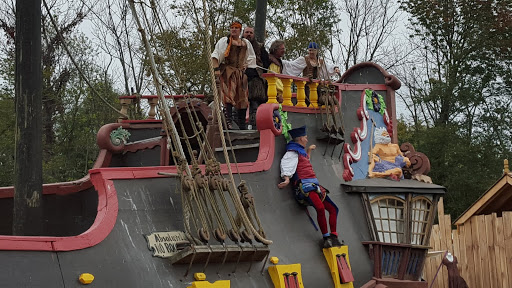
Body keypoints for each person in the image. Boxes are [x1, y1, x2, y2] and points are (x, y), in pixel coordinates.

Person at [278, 125, 341, 248]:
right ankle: (326, 237)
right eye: (306, 138)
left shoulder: (301, 152)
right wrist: (286, 178)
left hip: (314, 186)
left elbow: (305, 162)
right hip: (305, 186)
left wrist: (309, 151)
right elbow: (287, 163)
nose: (307, 140)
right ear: (301, 138)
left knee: (334, 209)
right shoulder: (293, 151)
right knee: (320, 208)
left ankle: (334, 236)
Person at [211, 21, 256, 130]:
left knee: (243, 98)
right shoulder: (225, 41)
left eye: (236, 28)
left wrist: (247, 67)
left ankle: (242, 124)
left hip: (240, 73)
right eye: (232, 28)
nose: (233, 30)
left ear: (240, 30)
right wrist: (216, 69)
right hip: (228, 72)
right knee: (228, 96)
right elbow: (216, 54)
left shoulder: (245, 43)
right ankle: (229, 122)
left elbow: (251, 57)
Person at [242, 26, 270, 129]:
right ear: (243, 33)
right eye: (246, 32)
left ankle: (254, 125)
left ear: (253, 35)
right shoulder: (238, 44)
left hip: (255, 77)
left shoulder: (259, 46)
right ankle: (240, 125)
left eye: (251, 33)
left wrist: (261, 72)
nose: (248, 34)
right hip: (239, 76)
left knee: (255, 102)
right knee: (239, 103)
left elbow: (266, 61)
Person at [267, 39, 286, 103]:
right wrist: (280, 93)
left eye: (284, 49)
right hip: (273, 93)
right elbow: (273, 78)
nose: (284, 51)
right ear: (275, 50)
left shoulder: (277, 61)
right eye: (282, 49)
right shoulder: (273, 62)